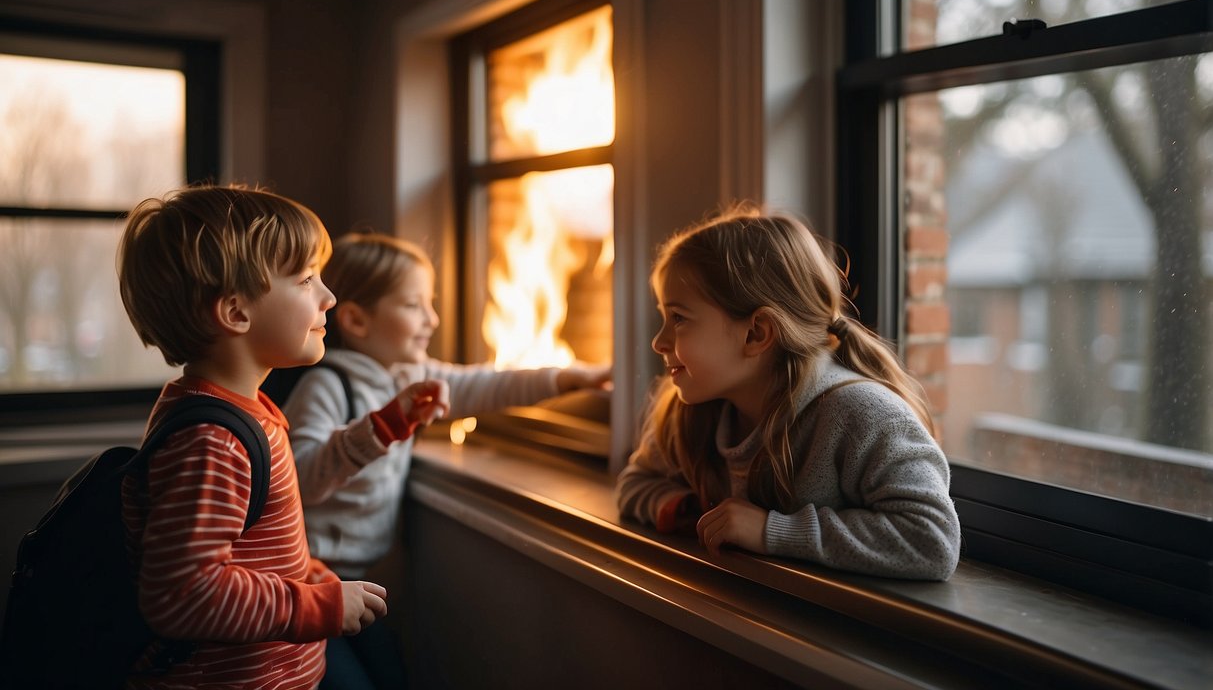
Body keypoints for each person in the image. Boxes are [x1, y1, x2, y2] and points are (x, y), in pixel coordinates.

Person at [282, 231, 611, 687]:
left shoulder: (414, 375)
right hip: (308, 581)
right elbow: (298, 483)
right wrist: (377, 430)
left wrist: (567, 378)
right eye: (414, 305)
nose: (432, 319)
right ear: (356, 320)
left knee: (392, 676)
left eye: (430, 303)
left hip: (367, 580)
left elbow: (486, 385)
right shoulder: (329, 386)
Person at [116, 184, 390, 689]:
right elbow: (183, 595)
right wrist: (313, 605)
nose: (329, 296)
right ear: (236, 313)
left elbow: (248, 550)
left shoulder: (246, 412)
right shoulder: (211, 441)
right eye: (307, 279)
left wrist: (309, 574)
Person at [616, 204, 961, 580]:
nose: (658, 342)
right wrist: (689, 510)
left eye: (679, 318)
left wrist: (771, 532)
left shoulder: (863, 416)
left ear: (756, 333)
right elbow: (635, 481)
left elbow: (932, 540)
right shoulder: (690, 412)